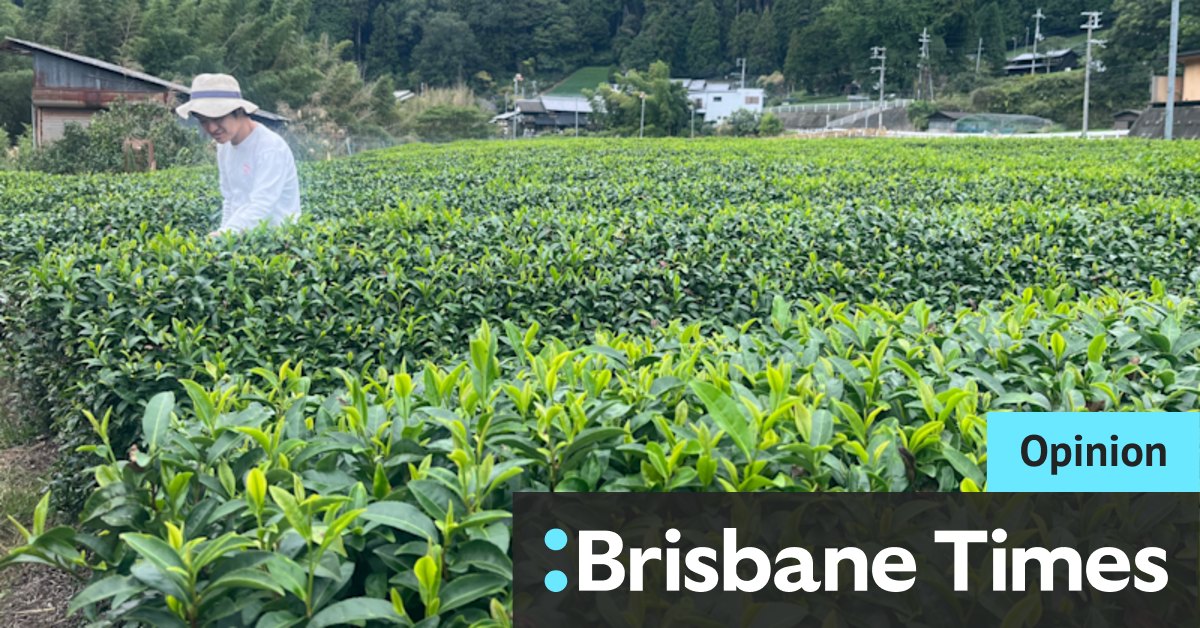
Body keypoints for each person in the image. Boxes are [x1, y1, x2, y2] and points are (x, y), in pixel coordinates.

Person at [175, 73, 300, 235]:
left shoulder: (269, 148)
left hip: (276, 239)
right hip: (242, 238)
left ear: (239, 111)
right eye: (204, 121)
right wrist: (224, 235)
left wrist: (225, 234)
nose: (212, 128)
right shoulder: (224, 146)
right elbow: (230, 198)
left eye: (218, 118)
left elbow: (262, 204)